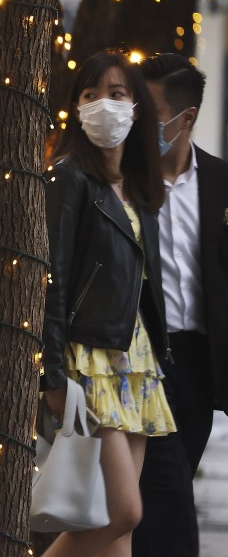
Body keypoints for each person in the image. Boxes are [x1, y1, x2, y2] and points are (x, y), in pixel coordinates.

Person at [40, 50, 175, 557]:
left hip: (135, 360)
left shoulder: (138, 187)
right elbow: (53, 280)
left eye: (117, 94)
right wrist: (54, 376)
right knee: (124, 512)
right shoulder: (69, 177)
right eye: (91, 94)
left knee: (121, 533)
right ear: (76, 108)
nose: (104, 104)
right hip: (90, 359)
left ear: (136, 107)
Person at [132, 53, 228, 557]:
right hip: (142, 362)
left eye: (150, 112)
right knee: (169, 503)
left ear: (186, 118)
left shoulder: (220, 181)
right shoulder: (121, 181)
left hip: (199, 366)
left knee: (159, 498)